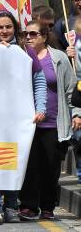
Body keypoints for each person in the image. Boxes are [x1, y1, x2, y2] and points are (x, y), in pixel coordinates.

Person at [0, 11, 47, 225]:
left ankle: (10, 206)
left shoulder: (25, 52)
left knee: (11, 162)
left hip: (16, 120)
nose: (4, 31)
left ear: (15, 28)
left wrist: (41, 108)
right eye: (0, 27)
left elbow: (38, 81)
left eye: (8, 27)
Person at [19, 20, 79, 221]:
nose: (28, 37)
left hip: (54, 122)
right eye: (26, 34)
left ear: (44, 36)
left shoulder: (59, 58)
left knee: (51, 166)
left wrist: (76, 113)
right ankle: (28, 205)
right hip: (27, 122)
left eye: (34, 34)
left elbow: (71, 90)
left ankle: (47, 207)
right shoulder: (20, 57)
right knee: (30, 166)